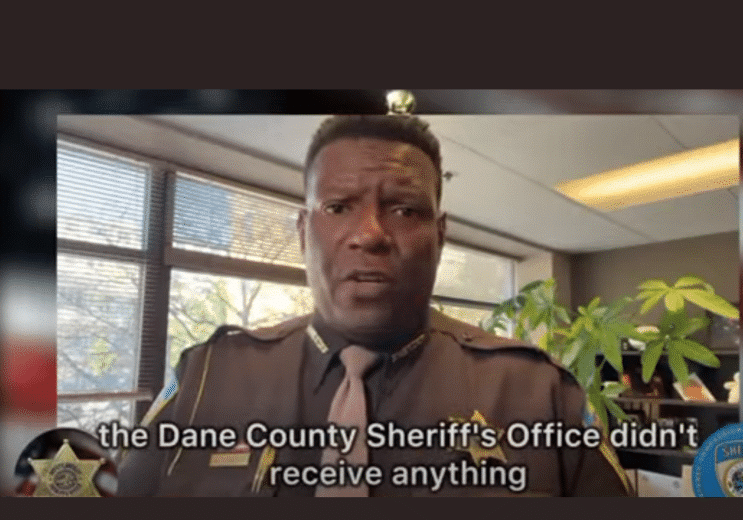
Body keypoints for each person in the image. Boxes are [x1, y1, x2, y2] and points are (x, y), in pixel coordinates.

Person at [118, 114, 632, 497]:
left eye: (404, 210)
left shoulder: (542, 395)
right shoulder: (204, 380)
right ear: (303, 232)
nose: (370, 234)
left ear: (440, 237)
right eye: (338, 207)